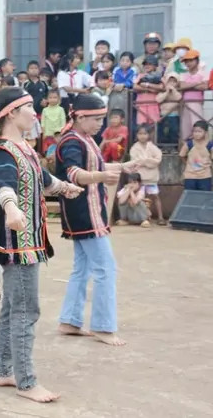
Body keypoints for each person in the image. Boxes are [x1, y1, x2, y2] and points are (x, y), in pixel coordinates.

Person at [0, 87, 81, 404]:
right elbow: (4, 184)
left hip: (28, 241)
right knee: (26, 310)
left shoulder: (23, 147)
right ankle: (26, 382)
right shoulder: (4, 151)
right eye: (29, 107)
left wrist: (65, 187)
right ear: (11, 113)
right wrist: (11, 209)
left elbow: (44, 179)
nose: (35, 112)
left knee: (13, 308)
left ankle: (2, 370)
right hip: (19, 244)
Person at [56, 93, 136, 347]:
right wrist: (102, 176)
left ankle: (70, 320)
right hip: (84, 212)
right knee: (105, 268)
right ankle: (103, 325)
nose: (101, 123)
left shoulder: (84, 138)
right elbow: (73, 173)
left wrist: (122, 167)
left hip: (86, 210)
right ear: (79, 116)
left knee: (84, 267)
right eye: (96, 119)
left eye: (102, 118)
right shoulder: (72, 141)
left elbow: (91, 170)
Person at [129, 125, 164, 225]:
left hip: (151, 177)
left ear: (149, 135)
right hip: (140, 178)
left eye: (145, 133)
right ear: (136, 135)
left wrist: (144, 162)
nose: (142, 136)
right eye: (140, 134)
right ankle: (144, 217)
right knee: (141, 198)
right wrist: (147, 161)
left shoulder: (153, 147)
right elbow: (134, 161)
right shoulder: (134, 148)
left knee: (156, 196)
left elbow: (157, 160)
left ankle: (160, 217)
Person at [179, 49, 208, 140]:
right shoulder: (183, 74)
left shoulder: (203, 73)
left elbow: (204, 86)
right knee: (186, 128)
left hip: (197, 102)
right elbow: (182, 86)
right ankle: (187, 149)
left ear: (197, 60)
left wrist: (188, 86)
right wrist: (196, 83)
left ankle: (202, 148)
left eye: (191, 60)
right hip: (185, 103)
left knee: (198, 126)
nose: (188, 63)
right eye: (186, 61)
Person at [179, 120, 213, 191]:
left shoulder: (209, 145)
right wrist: (187, 163)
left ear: (205, 133)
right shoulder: (189, 144)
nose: (197, 134)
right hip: (190, 176)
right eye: (195, 131)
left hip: (205, 176)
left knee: (204, 198)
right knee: (190, 197)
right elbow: (182, 155)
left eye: (199, 131)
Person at [134, 55, 163, 126]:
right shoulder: (141, 75)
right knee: (141, 125)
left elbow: (161, 87)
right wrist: (150, 89)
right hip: (141, 105)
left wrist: (147, 85)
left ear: (155, 66)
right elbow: (135, 86)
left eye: (150, 64)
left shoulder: (159, 76)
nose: (147, 66)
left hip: (153, 104)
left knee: (153, 125)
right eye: (145, 64)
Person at [156, 72, 182, 144]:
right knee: (161, 132)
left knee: (174, 131)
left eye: (174, 81)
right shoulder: (162, 91)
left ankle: (173, 147)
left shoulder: (178, 91)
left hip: (174, 115)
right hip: (163, 115)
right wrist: (167, 92)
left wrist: (173, 90)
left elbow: (179, 98)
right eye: (170, 81)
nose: (172, 83)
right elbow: (158, 99)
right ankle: (162, 147)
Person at [110, 51, 136, 118]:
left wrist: (123, 85)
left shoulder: (133, 70)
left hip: (129, 95)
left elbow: (132, 81)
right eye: (122, 60)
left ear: (132, 63)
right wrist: (114, 84)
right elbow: (113, 79)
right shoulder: (116, 70)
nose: (124, 63)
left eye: (127, 61)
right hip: (116, 93)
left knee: (128, 113)